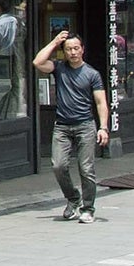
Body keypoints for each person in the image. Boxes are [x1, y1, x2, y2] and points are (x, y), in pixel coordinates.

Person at [32, 26, 112, 222]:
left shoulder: (92, 74)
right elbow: (37, 62)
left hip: (85, 125)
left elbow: (101, 102)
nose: (73, 52)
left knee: (86, 169)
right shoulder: (59, 68)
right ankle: (73, 198)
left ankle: (88, 208)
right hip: (62, 126)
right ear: (64, 51)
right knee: (58, 166)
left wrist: (103, 127)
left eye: (76, 48)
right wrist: (55, 42)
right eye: (68, 49)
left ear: (82, 49)